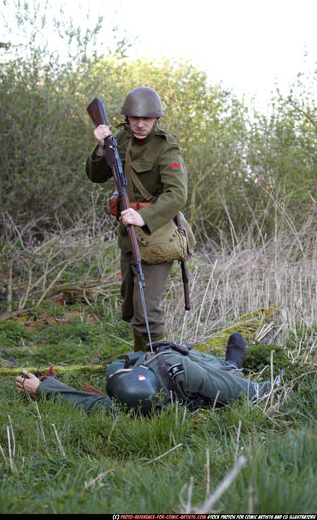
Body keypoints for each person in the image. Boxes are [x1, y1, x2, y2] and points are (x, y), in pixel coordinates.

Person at [85, 87, 194, 352]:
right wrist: (100, 148)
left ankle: (159, 369)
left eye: (147, 118)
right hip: (128, 236)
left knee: (148, 311)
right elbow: (96, 176)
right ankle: (139, 361)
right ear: (127, 118)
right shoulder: (120, 139)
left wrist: (142, 215)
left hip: (157, 235)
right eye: (135, 118)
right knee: (132, 307)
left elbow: (177, 194)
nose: (141, 124)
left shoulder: (165, 147)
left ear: (156, 119)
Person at [15, 333, 271, 415]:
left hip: (166, 365)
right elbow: (249, 392)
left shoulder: (170, 365)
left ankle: (230, 365)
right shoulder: (180, 373)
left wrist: (41, 389)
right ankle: (232, 366)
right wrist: (265, 389)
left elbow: (87, 403)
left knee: (113, 367)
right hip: (180, 377)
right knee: (218, 376)